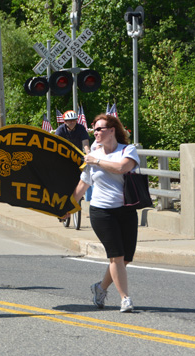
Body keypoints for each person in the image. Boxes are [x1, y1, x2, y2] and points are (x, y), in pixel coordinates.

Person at [69, 114, 140, 313]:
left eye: (100, 129)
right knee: (116, 257)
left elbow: (121, 168)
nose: (96, 132)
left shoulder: (128, 150)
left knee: (125, 259)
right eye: (94, 129)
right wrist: (68, 207)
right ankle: (125, 299)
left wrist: (97, 161)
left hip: (126, 210)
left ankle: (100, 288)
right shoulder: (92, 153)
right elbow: (84, 183)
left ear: (112, 130)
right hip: (101, 211)